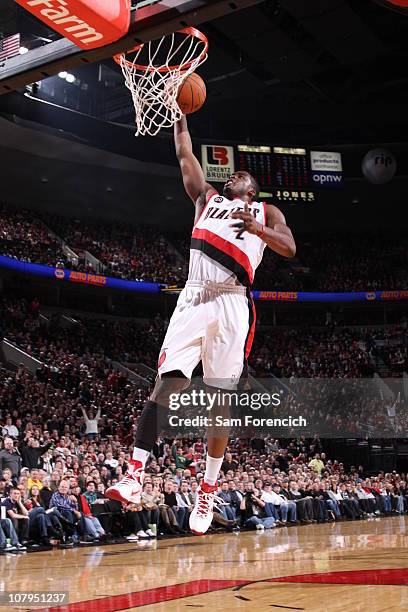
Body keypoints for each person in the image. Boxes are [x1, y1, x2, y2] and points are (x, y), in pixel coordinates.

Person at [106, 115, 296, 536]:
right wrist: (179, 112)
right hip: (193, 296)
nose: (234, 176)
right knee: (167, 382)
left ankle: (208, 487)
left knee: (218, 402)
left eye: (241, 174)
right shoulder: (206, 200)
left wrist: (257, 228)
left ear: (253, 190)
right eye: (231, 174)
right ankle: (135, 473)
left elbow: (289, 247)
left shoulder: (267, 210)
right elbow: (184, 153)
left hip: (232, 302)